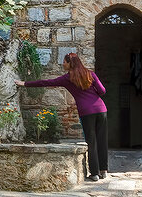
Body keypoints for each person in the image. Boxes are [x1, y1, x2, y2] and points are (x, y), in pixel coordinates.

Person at [16, 52, 108, 181]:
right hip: (101, 109)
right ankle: (103, 170)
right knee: (102, 140)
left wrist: (24, 83)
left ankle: (95, 174)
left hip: (86, 112)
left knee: (91, 142)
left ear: (70, 63)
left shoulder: (67, 78)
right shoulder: (90, 74)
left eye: (64, 62)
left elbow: (46, 82)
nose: (62, 64)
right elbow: (102, 91)